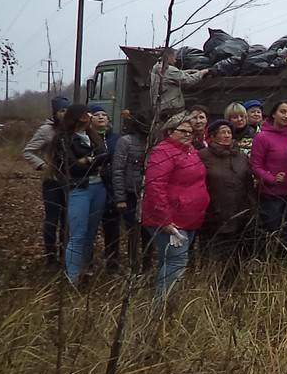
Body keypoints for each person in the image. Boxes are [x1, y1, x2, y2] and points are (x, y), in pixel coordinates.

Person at [142, 112, 210, 301]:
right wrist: (165, 219)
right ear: (170, 131)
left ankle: (168, 302)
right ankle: (161, 308)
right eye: (183, 131)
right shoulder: (162, 152)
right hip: (170, 220)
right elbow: (155, 186)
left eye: (191, 132)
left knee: (170, 260)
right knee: (177, 260)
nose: (189, 135)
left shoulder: (190, 151)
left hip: (189, 217)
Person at [53, 104, 109, 283]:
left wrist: (87, 161)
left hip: (98, 187)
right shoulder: (63, 139)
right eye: (85, 117)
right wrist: (87, 162)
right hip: (79, 188)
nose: (88, 120)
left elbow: (103, 157)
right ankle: (72, 277)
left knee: (91, 234)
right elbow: (72, 167)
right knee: (77, 235)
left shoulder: (93, 136)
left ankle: (85, 270)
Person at [198, 119, 256, 273]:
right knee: (213, 256)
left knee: (235, 257)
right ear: (213, 136)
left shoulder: (241, 157)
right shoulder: (203, 156)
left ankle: (232, 289)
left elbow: (249, 184)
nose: (227, 135)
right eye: (222, 132)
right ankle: (209, 287)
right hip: (213, 214)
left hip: (239, 213)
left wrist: (252, 210)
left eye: (229, 132)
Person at [23, 95, 70, 267]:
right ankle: (51, 257)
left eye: (67, 110)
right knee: (52, 219)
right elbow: (28, 151)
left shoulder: (73, 129)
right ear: (55, 113)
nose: (64, 114)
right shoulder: (46, 130)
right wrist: (43, 165)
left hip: (70, 181)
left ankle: (65, 255)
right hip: (52, 181)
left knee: (67, 220)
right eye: (61, 111)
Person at [112, 111, 154, 272]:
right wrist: (120, 198)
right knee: (133, 234)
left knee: (148, 234)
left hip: (149, 196)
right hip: (131, 195)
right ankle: (134, 268)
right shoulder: (125, 142)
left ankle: (147, 268)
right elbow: (118, 170)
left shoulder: (154, 142)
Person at [250, 101, 287, 235]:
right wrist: (271, 178)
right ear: (273, 114)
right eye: (283, 112)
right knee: (273, 232)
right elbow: (255, 165)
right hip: (271, 194)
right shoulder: (262, 137)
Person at [89, 105, 122, 274]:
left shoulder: (116, 139)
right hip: (91, 187)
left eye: (104, 115)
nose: (101, 117)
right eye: (96, 114)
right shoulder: (84, 138)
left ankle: (113, 266)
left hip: (112, 189)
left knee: (112, 231)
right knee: (89, 230)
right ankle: (87, 266)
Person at [149, 47, 210, 117]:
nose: (175, 61)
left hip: (161, 109)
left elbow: (175, 75)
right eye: (174, 58)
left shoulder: (157, 67)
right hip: (170, 110)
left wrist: (190, 71)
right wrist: (203, 72)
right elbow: (188, 80)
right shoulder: (168, 70)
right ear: (168, 57)